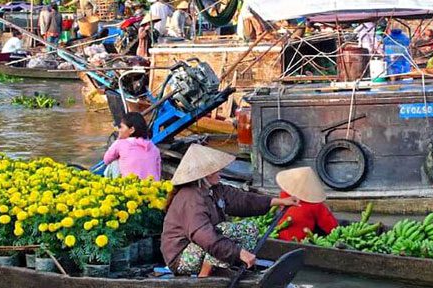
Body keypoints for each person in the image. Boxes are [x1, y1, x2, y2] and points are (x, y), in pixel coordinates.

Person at [160, 144, 299, 276]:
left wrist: (277, 201)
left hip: (204, 246)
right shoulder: (190, 197)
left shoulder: (215, 190)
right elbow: (204, 236)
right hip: (181, 256)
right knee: (223, 230)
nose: (220, 172)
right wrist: (238, 253)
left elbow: (243, 200)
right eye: (216, 170)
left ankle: (229, 268)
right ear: (206, 174)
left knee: (251, 228)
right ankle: (205, 276)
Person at [274, 167, 338, 242]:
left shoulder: (284, 195)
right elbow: (331, 226)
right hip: (301, 240)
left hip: (278, 236)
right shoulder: (316, 205)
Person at [102, 112, 161, 180]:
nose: (119, 130)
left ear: (132, 130)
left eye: (121, 127)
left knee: (113, 163)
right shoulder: (153, 147)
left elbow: (106, 160)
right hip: (152, 187)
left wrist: (118, 139)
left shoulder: (120, 143)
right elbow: (158, 172)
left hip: (131, 187)